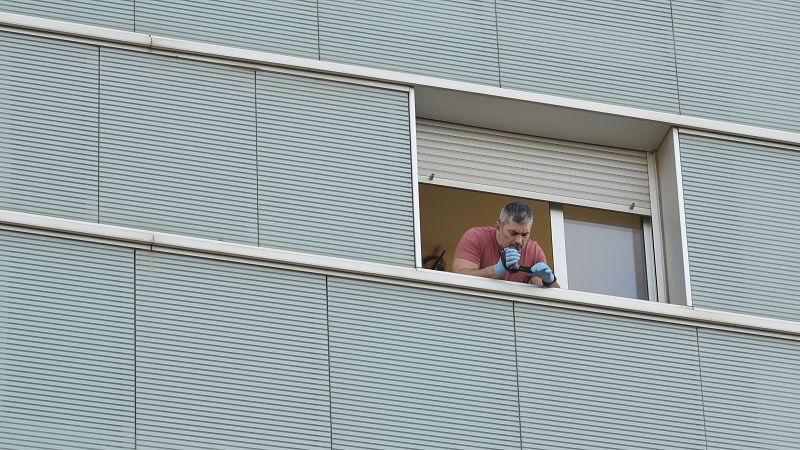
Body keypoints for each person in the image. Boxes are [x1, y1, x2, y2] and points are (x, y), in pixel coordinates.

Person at [452, 201, 559, 288]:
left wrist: (549, 281)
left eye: (525, 234)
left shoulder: (534, 250)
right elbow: (458, 278)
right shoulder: (476, 237)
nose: (519, 240)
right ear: (498, 227)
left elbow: (553, 299)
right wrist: (495, 270)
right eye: (513, 233)